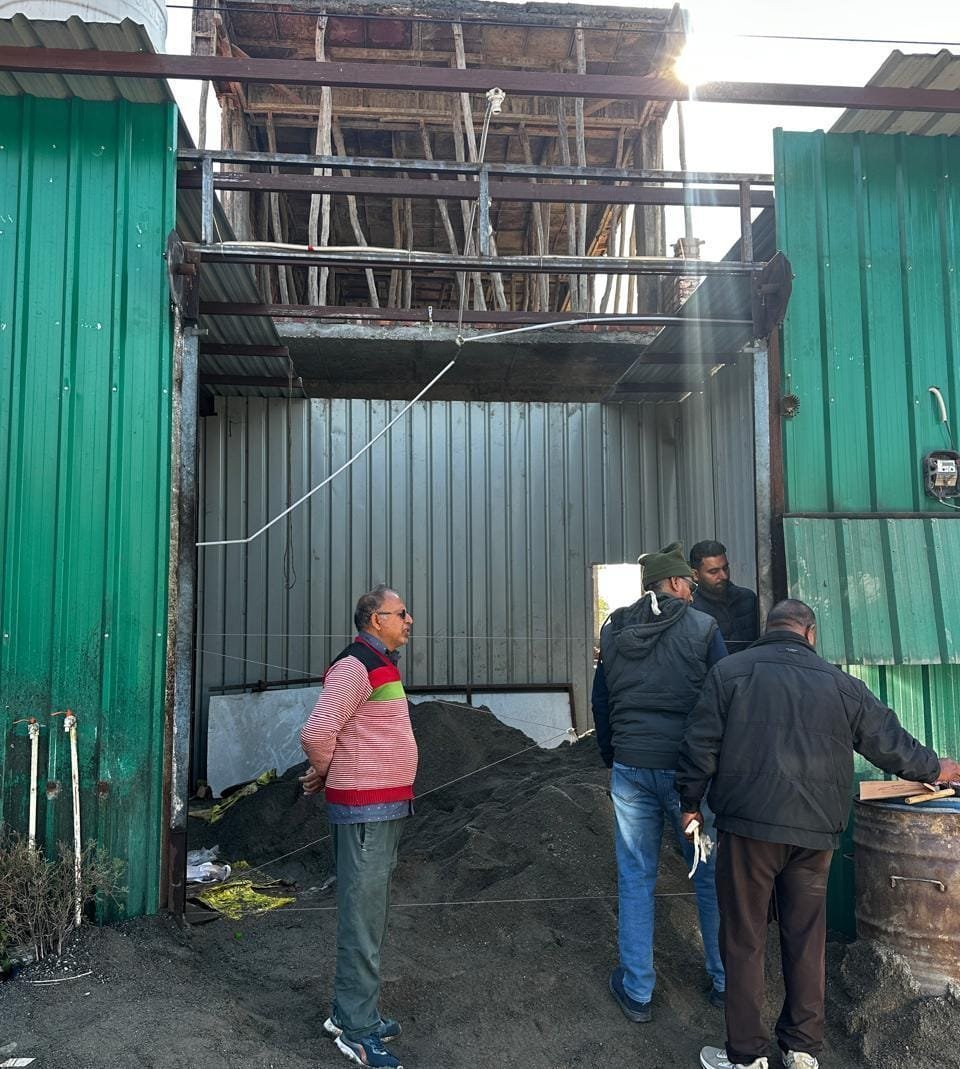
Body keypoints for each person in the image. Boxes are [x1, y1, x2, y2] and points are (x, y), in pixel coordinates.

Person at [676, 599, 960, 1069]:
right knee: (806, 937)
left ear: (769, 629)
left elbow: (699, 744)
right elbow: (890, 744)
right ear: (810, 634)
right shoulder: (843, 685)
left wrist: (690, 804)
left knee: (744, 938)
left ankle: (747, 1056)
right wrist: (936, 767)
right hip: (815, 834)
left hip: (749, 830)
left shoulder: (730, 673)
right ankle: (802, 1049)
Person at [592, 541, 728, 1023]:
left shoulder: (613, 630)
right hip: (689, 774)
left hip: (631, 769)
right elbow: (723, 698)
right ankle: (724, 981)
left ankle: (637, 991)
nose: (693, 590)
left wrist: (612, 754)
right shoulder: (703, 628)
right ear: (672, 582)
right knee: (709, 876)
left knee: (635, 877)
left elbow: (601, 701)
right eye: (688, 583)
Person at [300, 584, 416, 1069]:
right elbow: (317, 732)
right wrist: (329, 770)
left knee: (370, 915)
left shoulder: (378, 663)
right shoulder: (356, 665)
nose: (409, 620)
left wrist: (330, 770)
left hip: (381, 809)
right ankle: (358, 1031)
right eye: (401, 613)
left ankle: (348, 1011)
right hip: (366, 812)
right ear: (375, 620)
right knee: (363, 919)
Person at [689, 540, 758, 653]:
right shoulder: (692, 611)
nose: (724, 576)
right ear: (695, 575)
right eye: (713, 571)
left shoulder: (748, 598)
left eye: (725, 568)